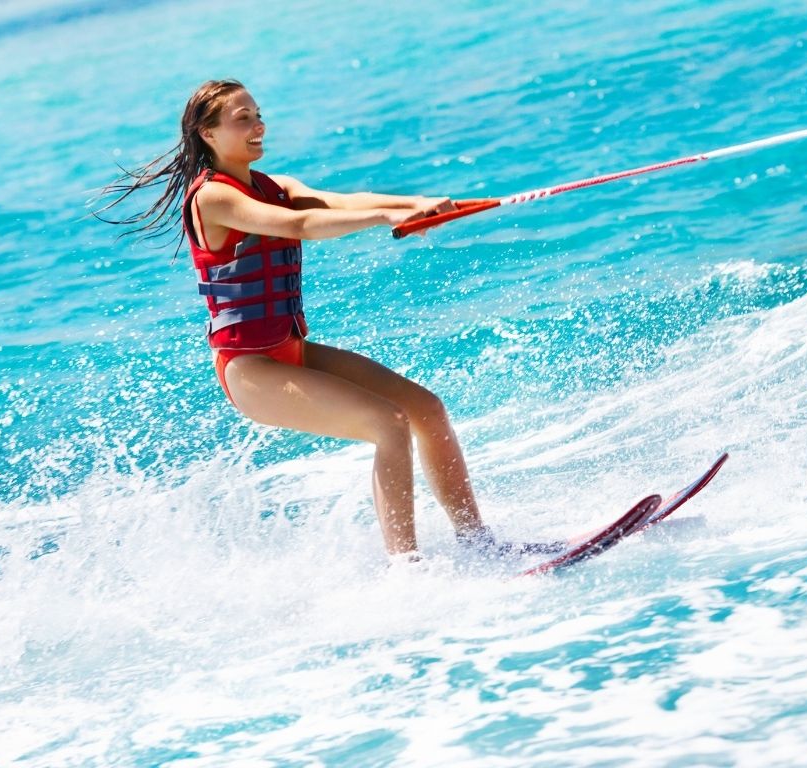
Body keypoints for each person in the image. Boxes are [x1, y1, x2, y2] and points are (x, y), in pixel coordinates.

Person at [97, 79, 563, 561]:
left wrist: (425, 207)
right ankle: (408, 572)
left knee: (426, 408)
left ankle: (480, 545)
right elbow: (299, 226)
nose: (258, 126)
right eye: (243, 119)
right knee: (388, 423)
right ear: (207, 134)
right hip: (251, 371)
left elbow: (342, 201)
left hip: (290, 351)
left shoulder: (276, 186)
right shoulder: (213, 198)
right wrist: (388, 217)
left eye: (258, 114)